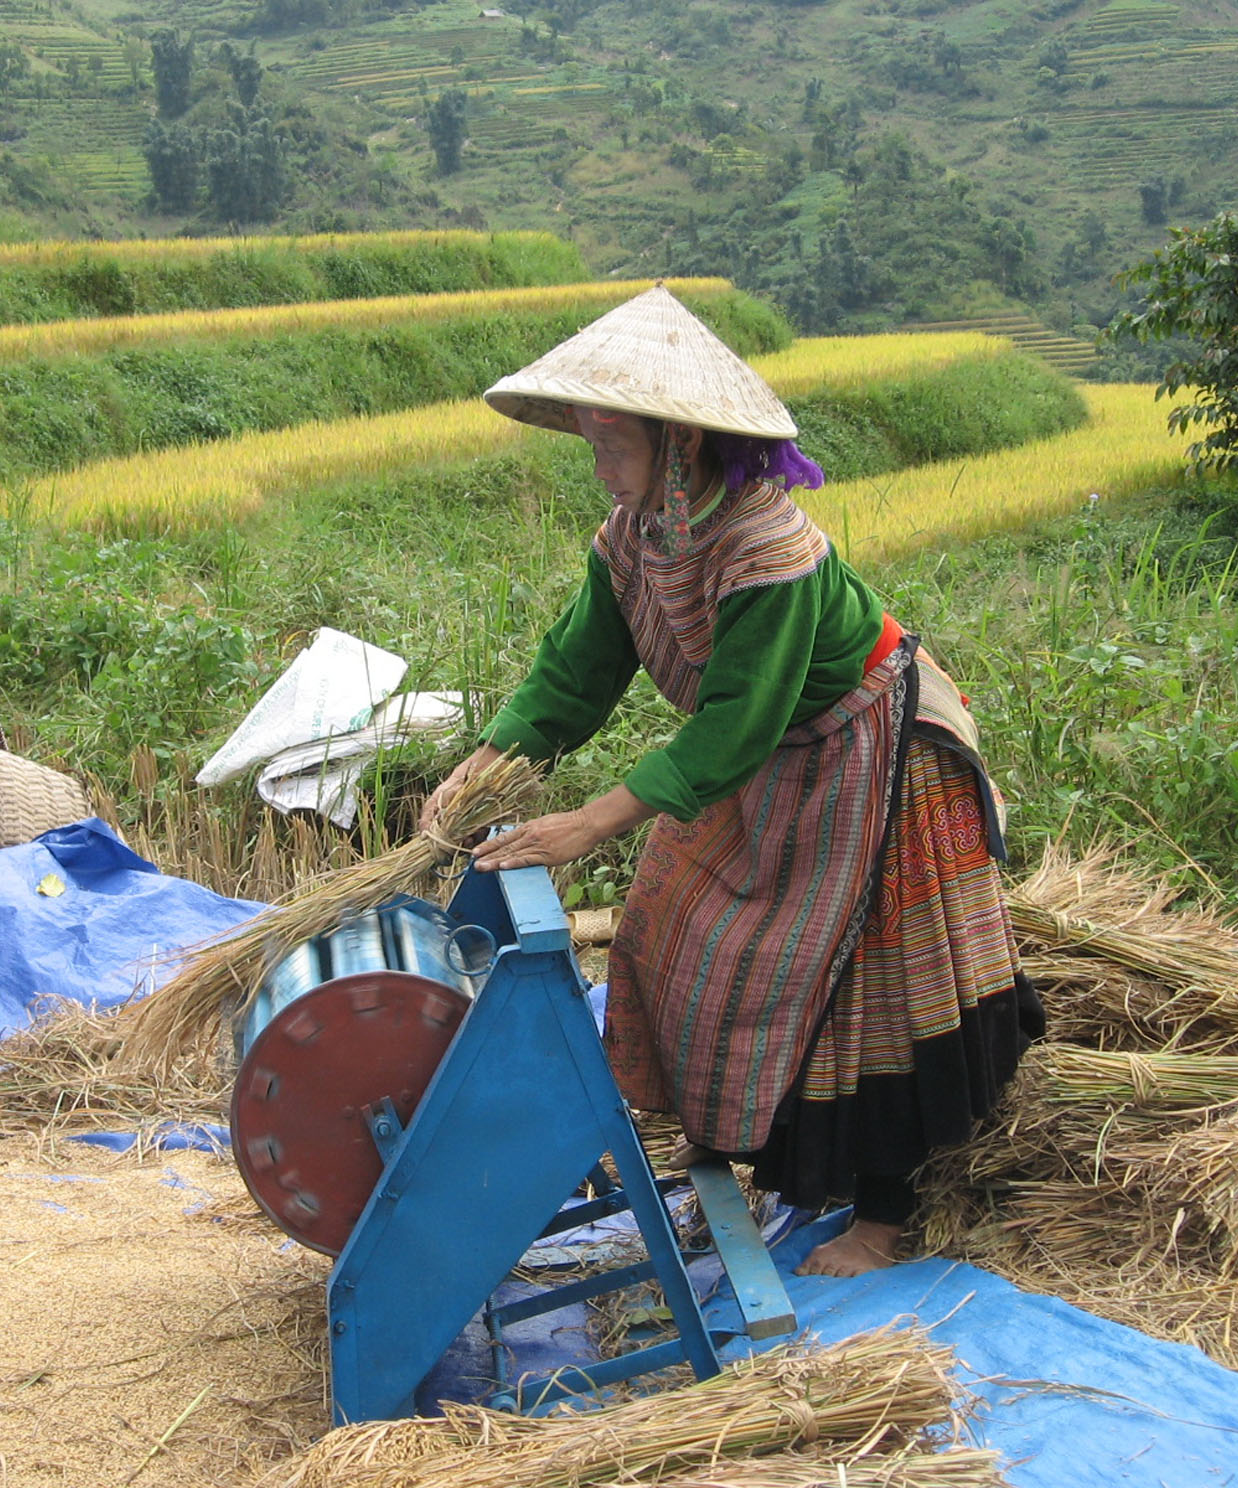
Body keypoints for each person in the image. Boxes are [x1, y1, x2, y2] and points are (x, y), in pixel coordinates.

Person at [422, 285, 1043, 1277]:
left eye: (612, 442)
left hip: (874, 748)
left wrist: (590, 822)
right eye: (590, 440)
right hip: (771, 754)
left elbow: (736, 723)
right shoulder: (632, 539)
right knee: (673, 925)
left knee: (862, 981)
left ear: (676, 443)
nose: (597, 463)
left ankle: (883, 1221)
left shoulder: (767, 550)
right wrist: (490, 765)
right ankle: (724, 1150)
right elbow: (575, 672)